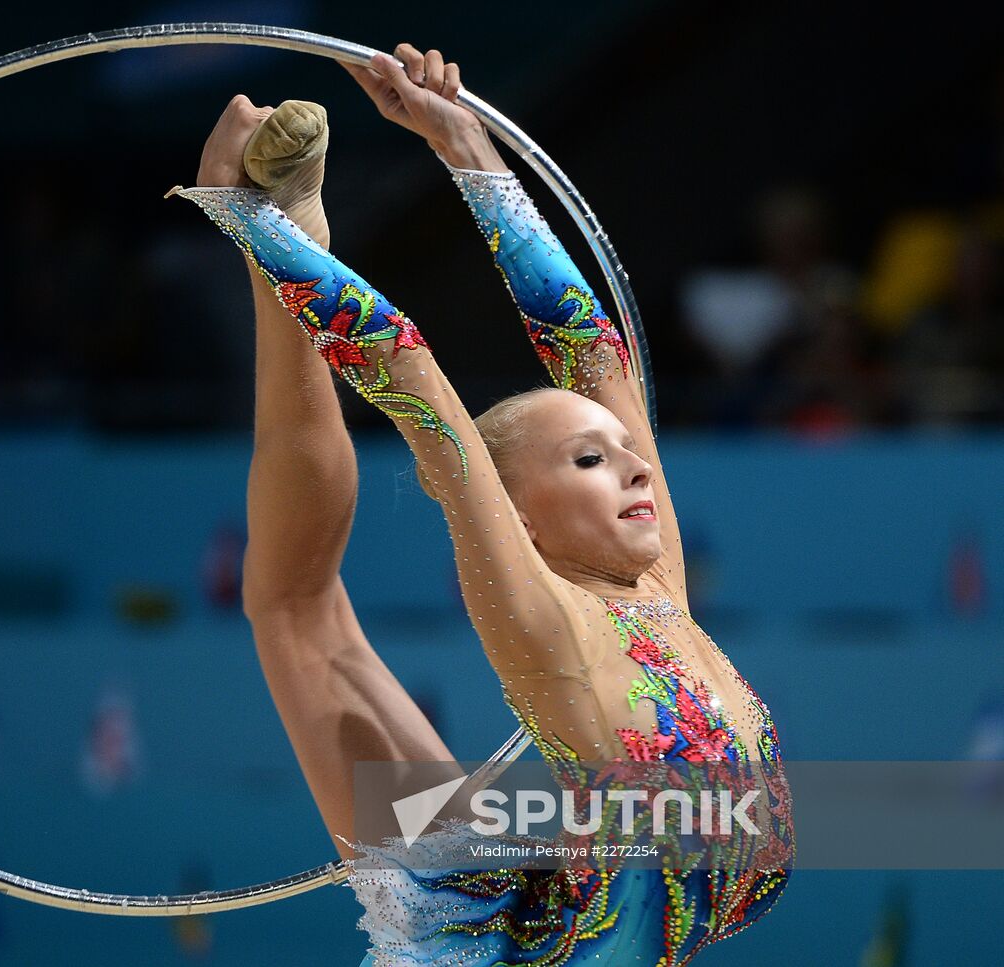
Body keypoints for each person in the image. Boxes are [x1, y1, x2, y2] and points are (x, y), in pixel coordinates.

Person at [173, 43, 792, 965]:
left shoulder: (658, 588)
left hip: (535, 901)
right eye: (590, 457)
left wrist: (466, 142)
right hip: (527, 942)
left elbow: (594, 352)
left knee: (306, 621)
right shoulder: (550, 619)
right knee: (302, 612)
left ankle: (285, 238)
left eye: (629, 454)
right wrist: (254, 227)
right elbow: (405, 366)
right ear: (520, 514)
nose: (636, 468)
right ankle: (287, 238)